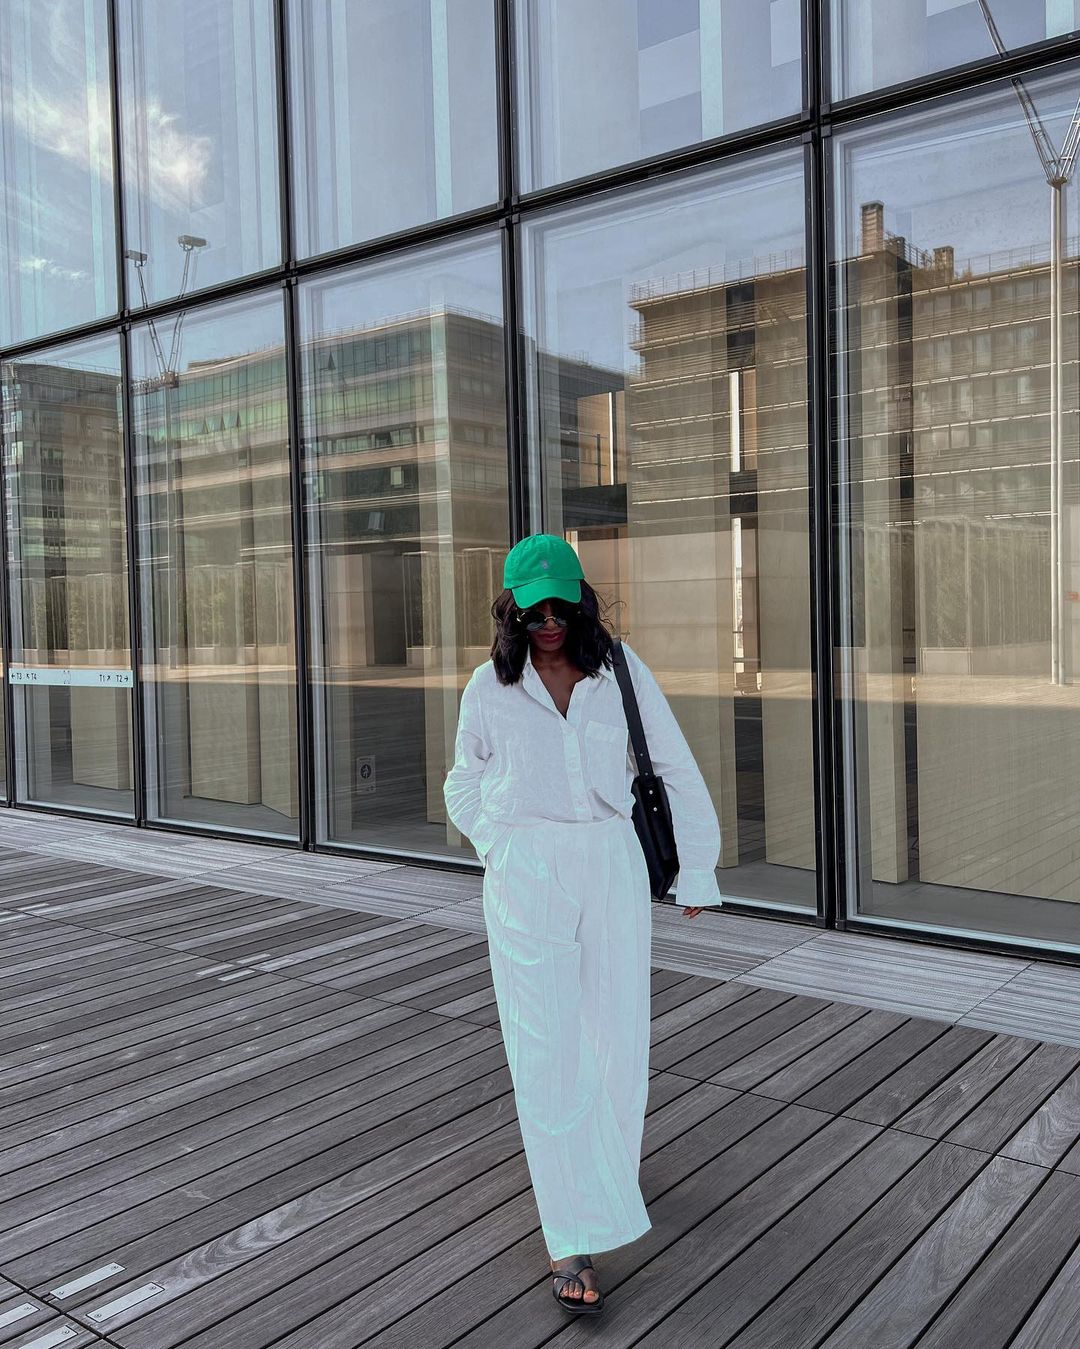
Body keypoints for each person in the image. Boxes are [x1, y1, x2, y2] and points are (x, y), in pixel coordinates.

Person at [442, 533, 723, 1315]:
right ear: (511, 613)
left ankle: (605, 1179)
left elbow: (672, 766)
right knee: (546, 1047)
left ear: (582, 605)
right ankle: (569, 1234)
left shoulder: (620, 672)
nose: (548, 624)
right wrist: (498, 843)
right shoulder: (488, 687)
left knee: (616, 1038)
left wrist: (697, 867)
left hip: (609, 863)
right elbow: (462, 780)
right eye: (533, 613)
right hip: (526, 873)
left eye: (561, 609)